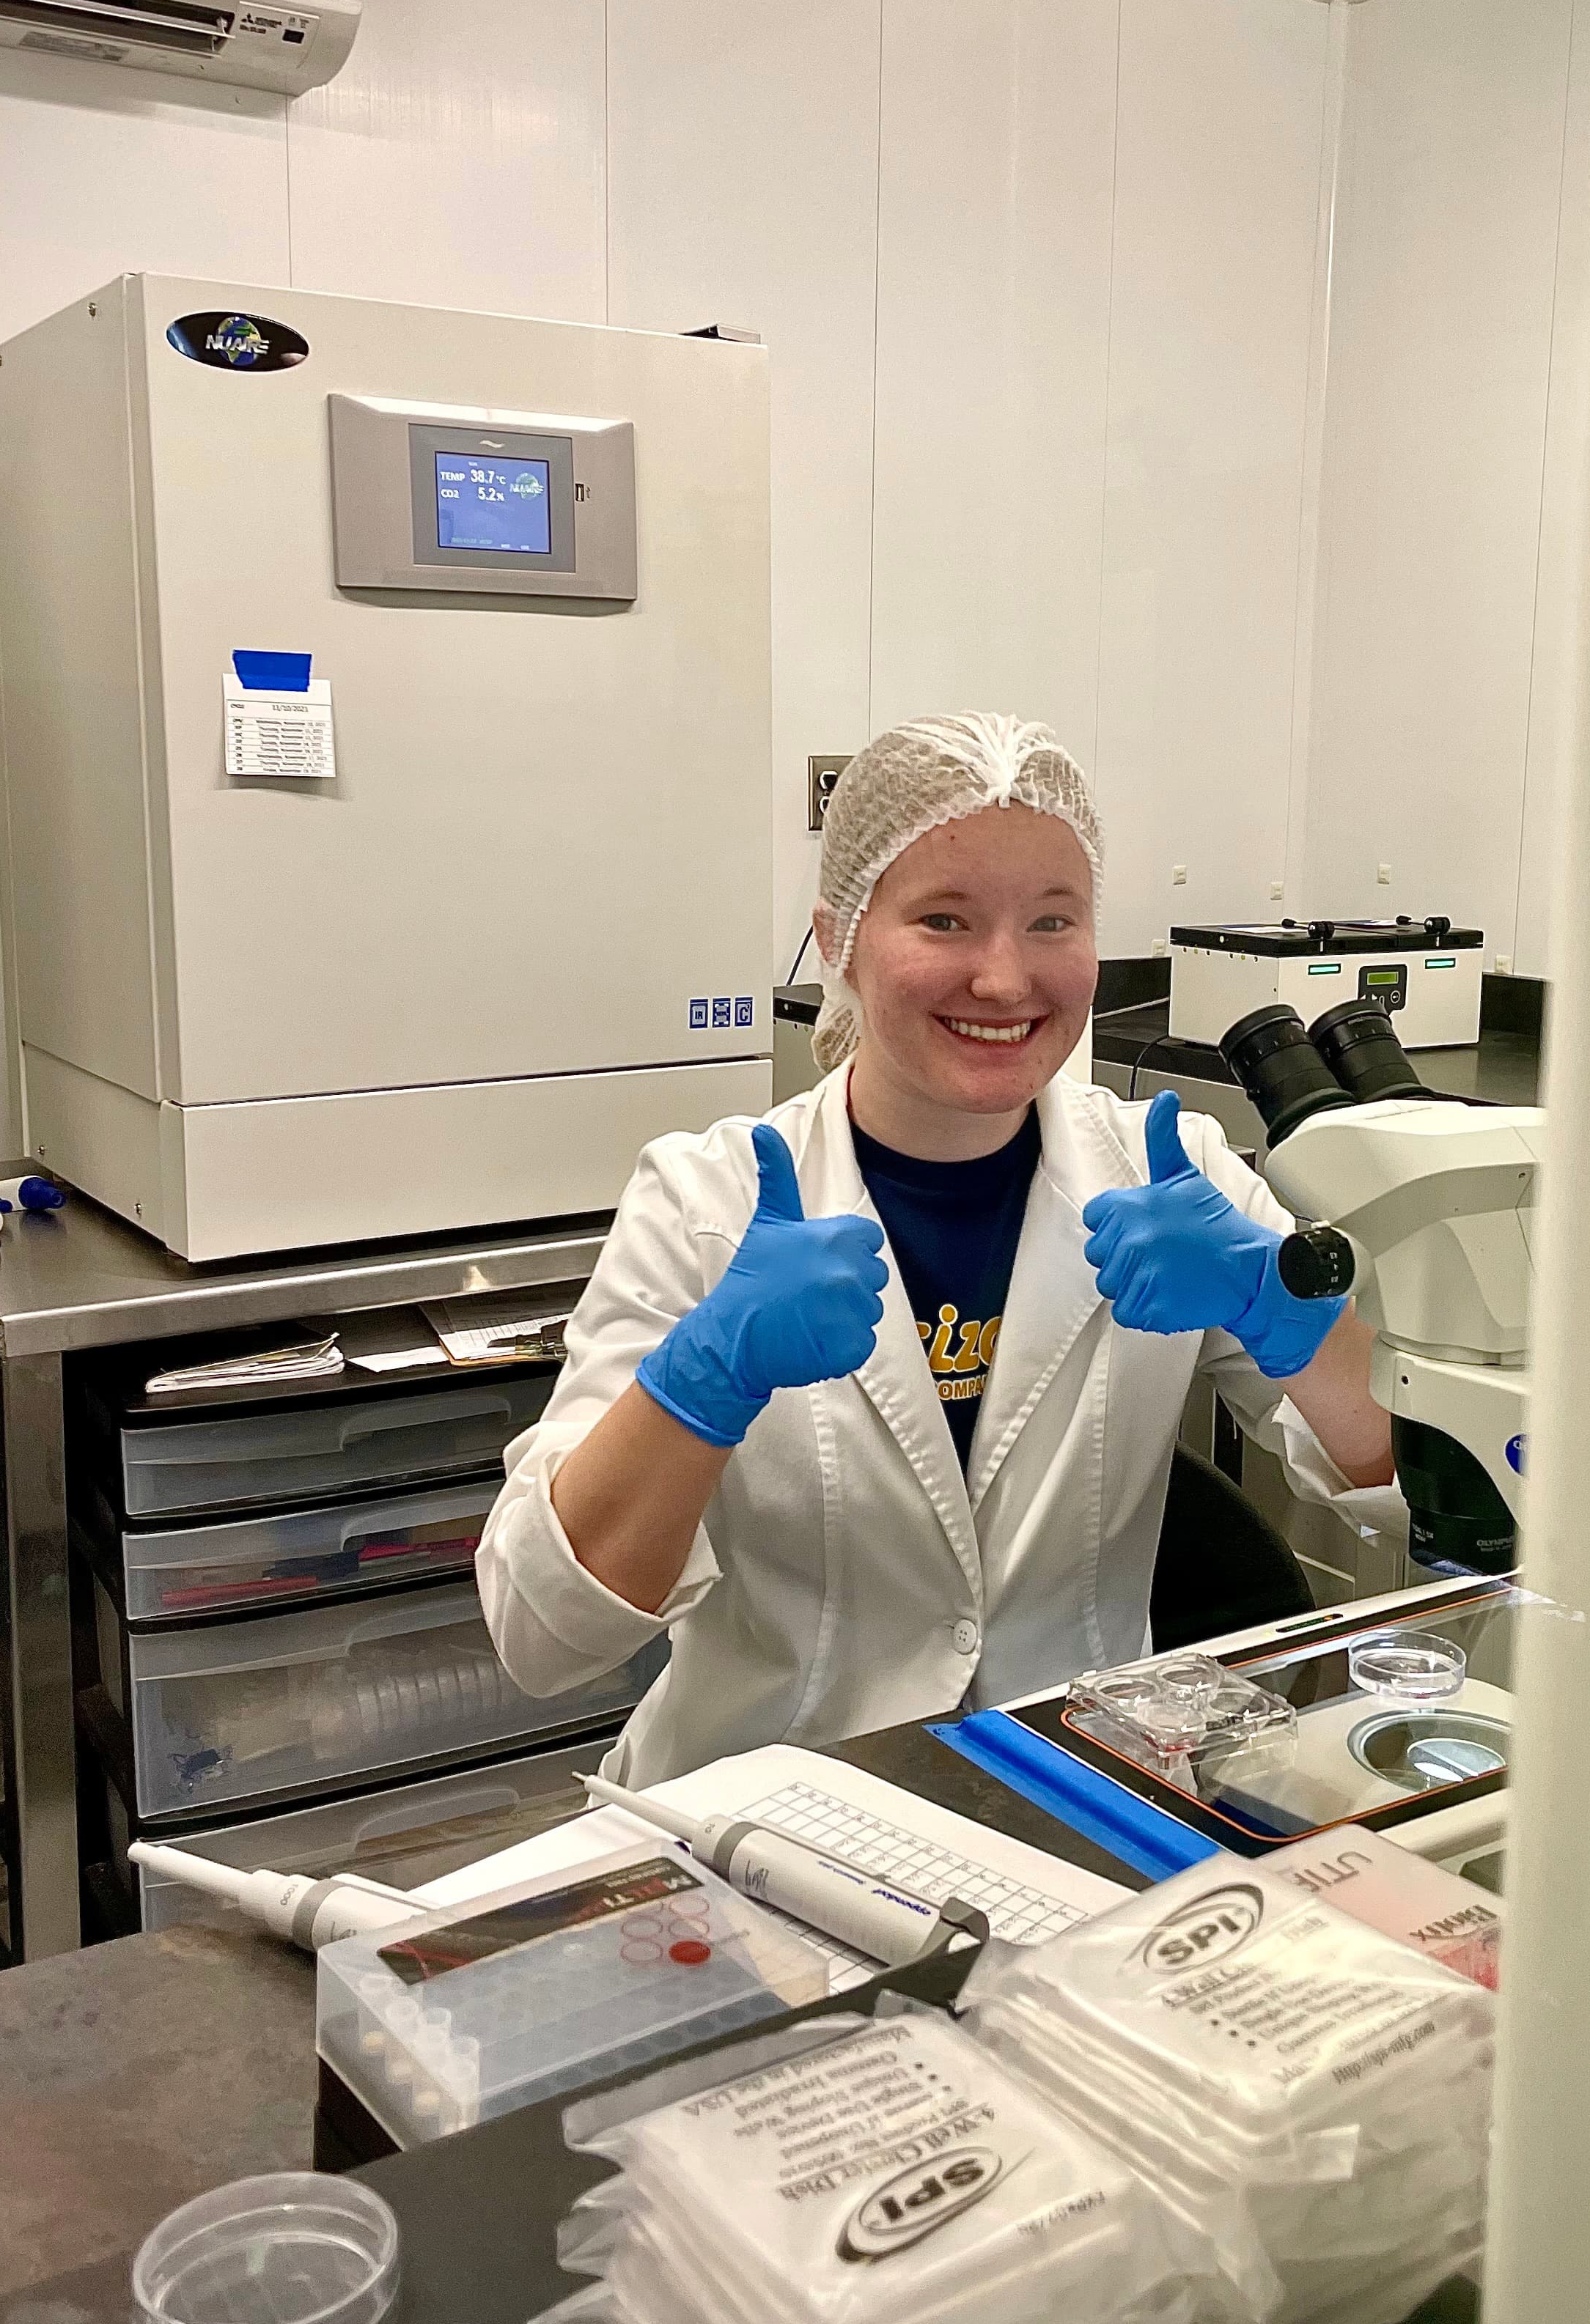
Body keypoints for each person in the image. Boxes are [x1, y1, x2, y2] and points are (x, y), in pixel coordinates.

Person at [476, 713, 1399, 1783]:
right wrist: (702, 1381)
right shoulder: (704, 1201)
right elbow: (544, 1635)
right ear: (840, 940)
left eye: (1053, 921)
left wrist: (1281, 1310)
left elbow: (1410, 1490)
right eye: (945, 920)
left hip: (1079, 1794)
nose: (1005, 980)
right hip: (764, 1808)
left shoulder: (1170, 1173)